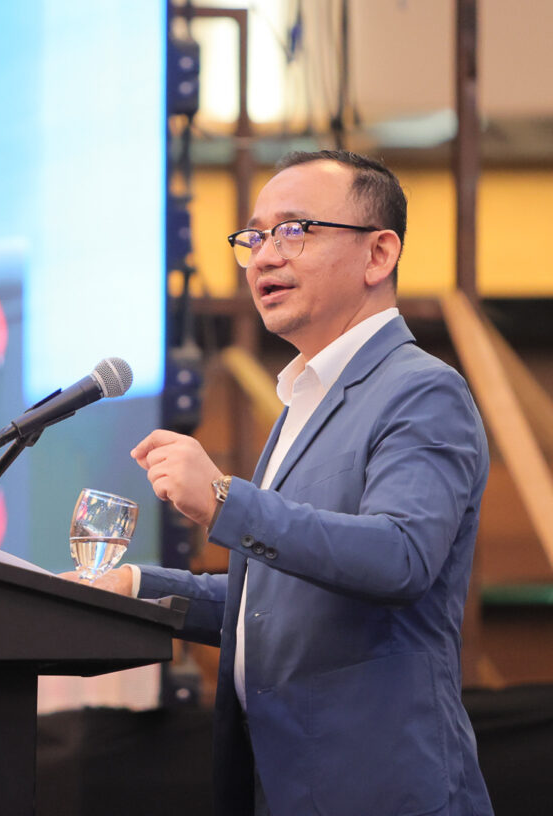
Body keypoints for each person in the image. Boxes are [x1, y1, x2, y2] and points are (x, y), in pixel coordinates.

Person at [87, 150, 493, 815]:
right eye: (254, 237)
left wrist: (224, 499)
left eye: (294, 230)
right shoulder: (304, 401)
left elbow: (400, 557)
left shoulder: (421, 391)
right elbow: (277, 603)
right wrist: (137, 587)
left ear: (378, 254)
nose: (264, 257)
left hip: (380, 793)